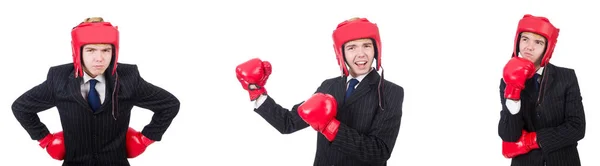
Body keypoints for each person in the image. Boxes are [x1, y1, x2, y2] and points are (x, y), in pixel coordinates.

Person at [12, 17, 180, 166]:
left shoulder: (129, 78)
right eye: (91, 50)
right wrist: (45, 139)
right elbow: (21, 107)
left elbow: (169, 104)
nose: (99, 58)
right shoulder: (59, 79)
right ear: (78, 52)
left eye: (106, 50)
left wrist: (146, 138)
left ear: (114, 52)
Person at [235, 17, 404, 166]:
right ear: (341, 53)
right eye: (352, 47)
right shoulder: (329, 86)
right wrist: (257, 91)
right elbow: (288, 123)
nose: (361, 54)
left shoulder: (391, 92)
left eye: (366, 46)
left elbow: (379, 152)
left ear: (376, 49)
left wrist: (331, 127)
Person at [498, 14, 586, 166]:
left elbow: (577, 127)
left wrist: (533, 140)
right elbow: (509, 135)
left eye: (538, 42)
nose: (529, 47)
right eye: (525, 39)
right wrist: (513, 92)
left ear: (548, 48)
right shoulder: (506, 81)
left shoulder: (566, 77)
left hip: (562, 161)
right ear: (517, 41)